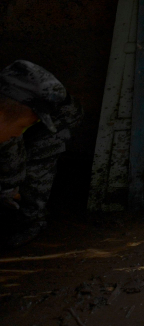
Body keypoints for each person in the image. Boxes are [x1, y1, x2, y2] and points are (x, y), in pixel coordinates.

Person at [0, 61, 81, 248]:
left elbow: (13, 157)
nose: (18, 134)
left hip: (60, 121)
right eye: (20, 128)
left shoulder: (14, 122)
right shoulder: (10, 113)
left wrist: (9, 191)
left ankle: (31, 221)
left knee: (36, 164)